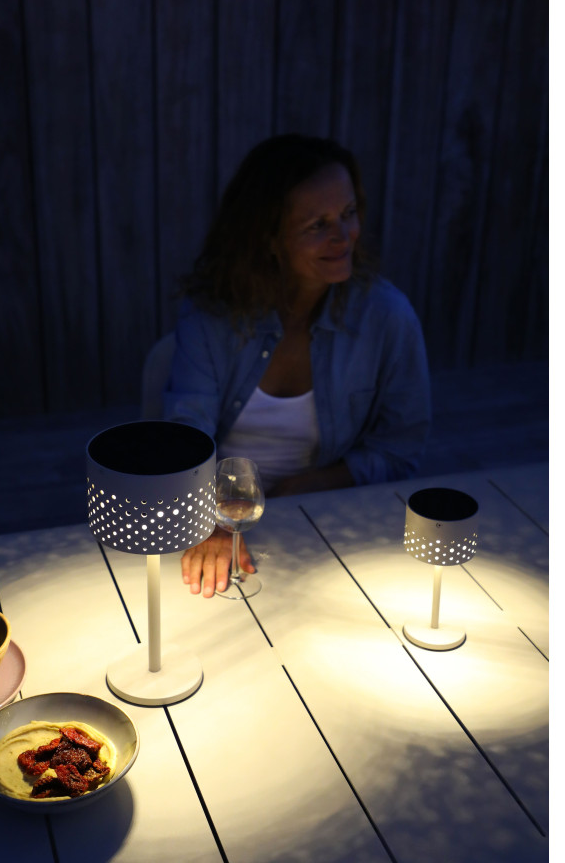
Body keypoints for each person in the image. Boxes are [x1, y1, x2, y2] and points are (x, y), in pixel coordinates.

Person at [163, 134, 431, 597]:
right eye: (317, 225)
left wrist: (312, 485)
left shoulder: (387, 317)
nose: (344, 235)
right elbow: (184, 437)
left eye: (349, 213)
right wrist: (211, 520)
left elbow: (400, 449)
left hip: (328, 516)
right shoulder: (212, 315)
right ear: (268, 236)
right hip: (212, 520)